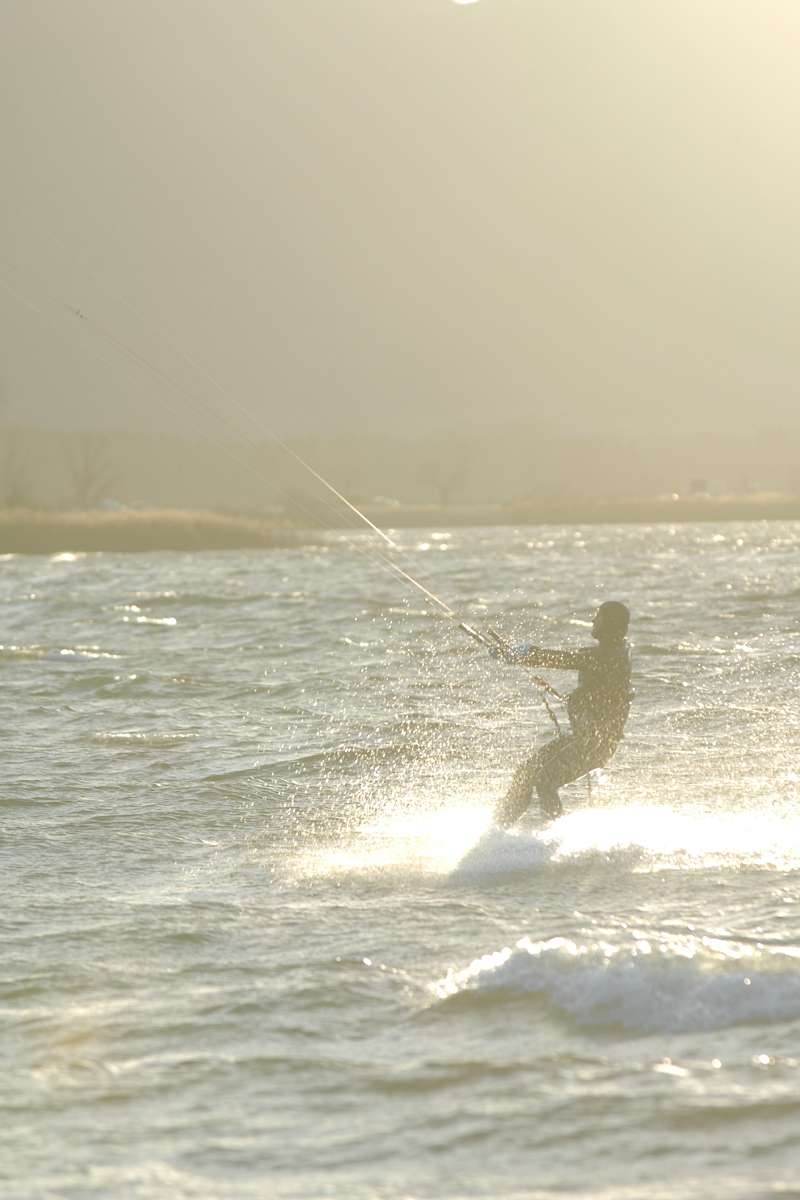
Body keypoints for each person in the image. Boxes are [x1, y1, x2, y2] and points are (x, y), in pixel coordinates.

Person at [492, 600, 632, 825]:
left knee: (545, 781)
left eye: (599, 617)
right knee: (525, 773)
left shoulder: (609, 656)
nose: (593, 620)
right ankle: (497, 830)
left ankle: (555, 837)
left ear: (611, 624)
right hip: (585, 739)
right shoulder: (612, 652)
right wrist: (517, 655)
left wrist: (525, 654)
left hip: (596, 743)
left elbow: (567, 660)